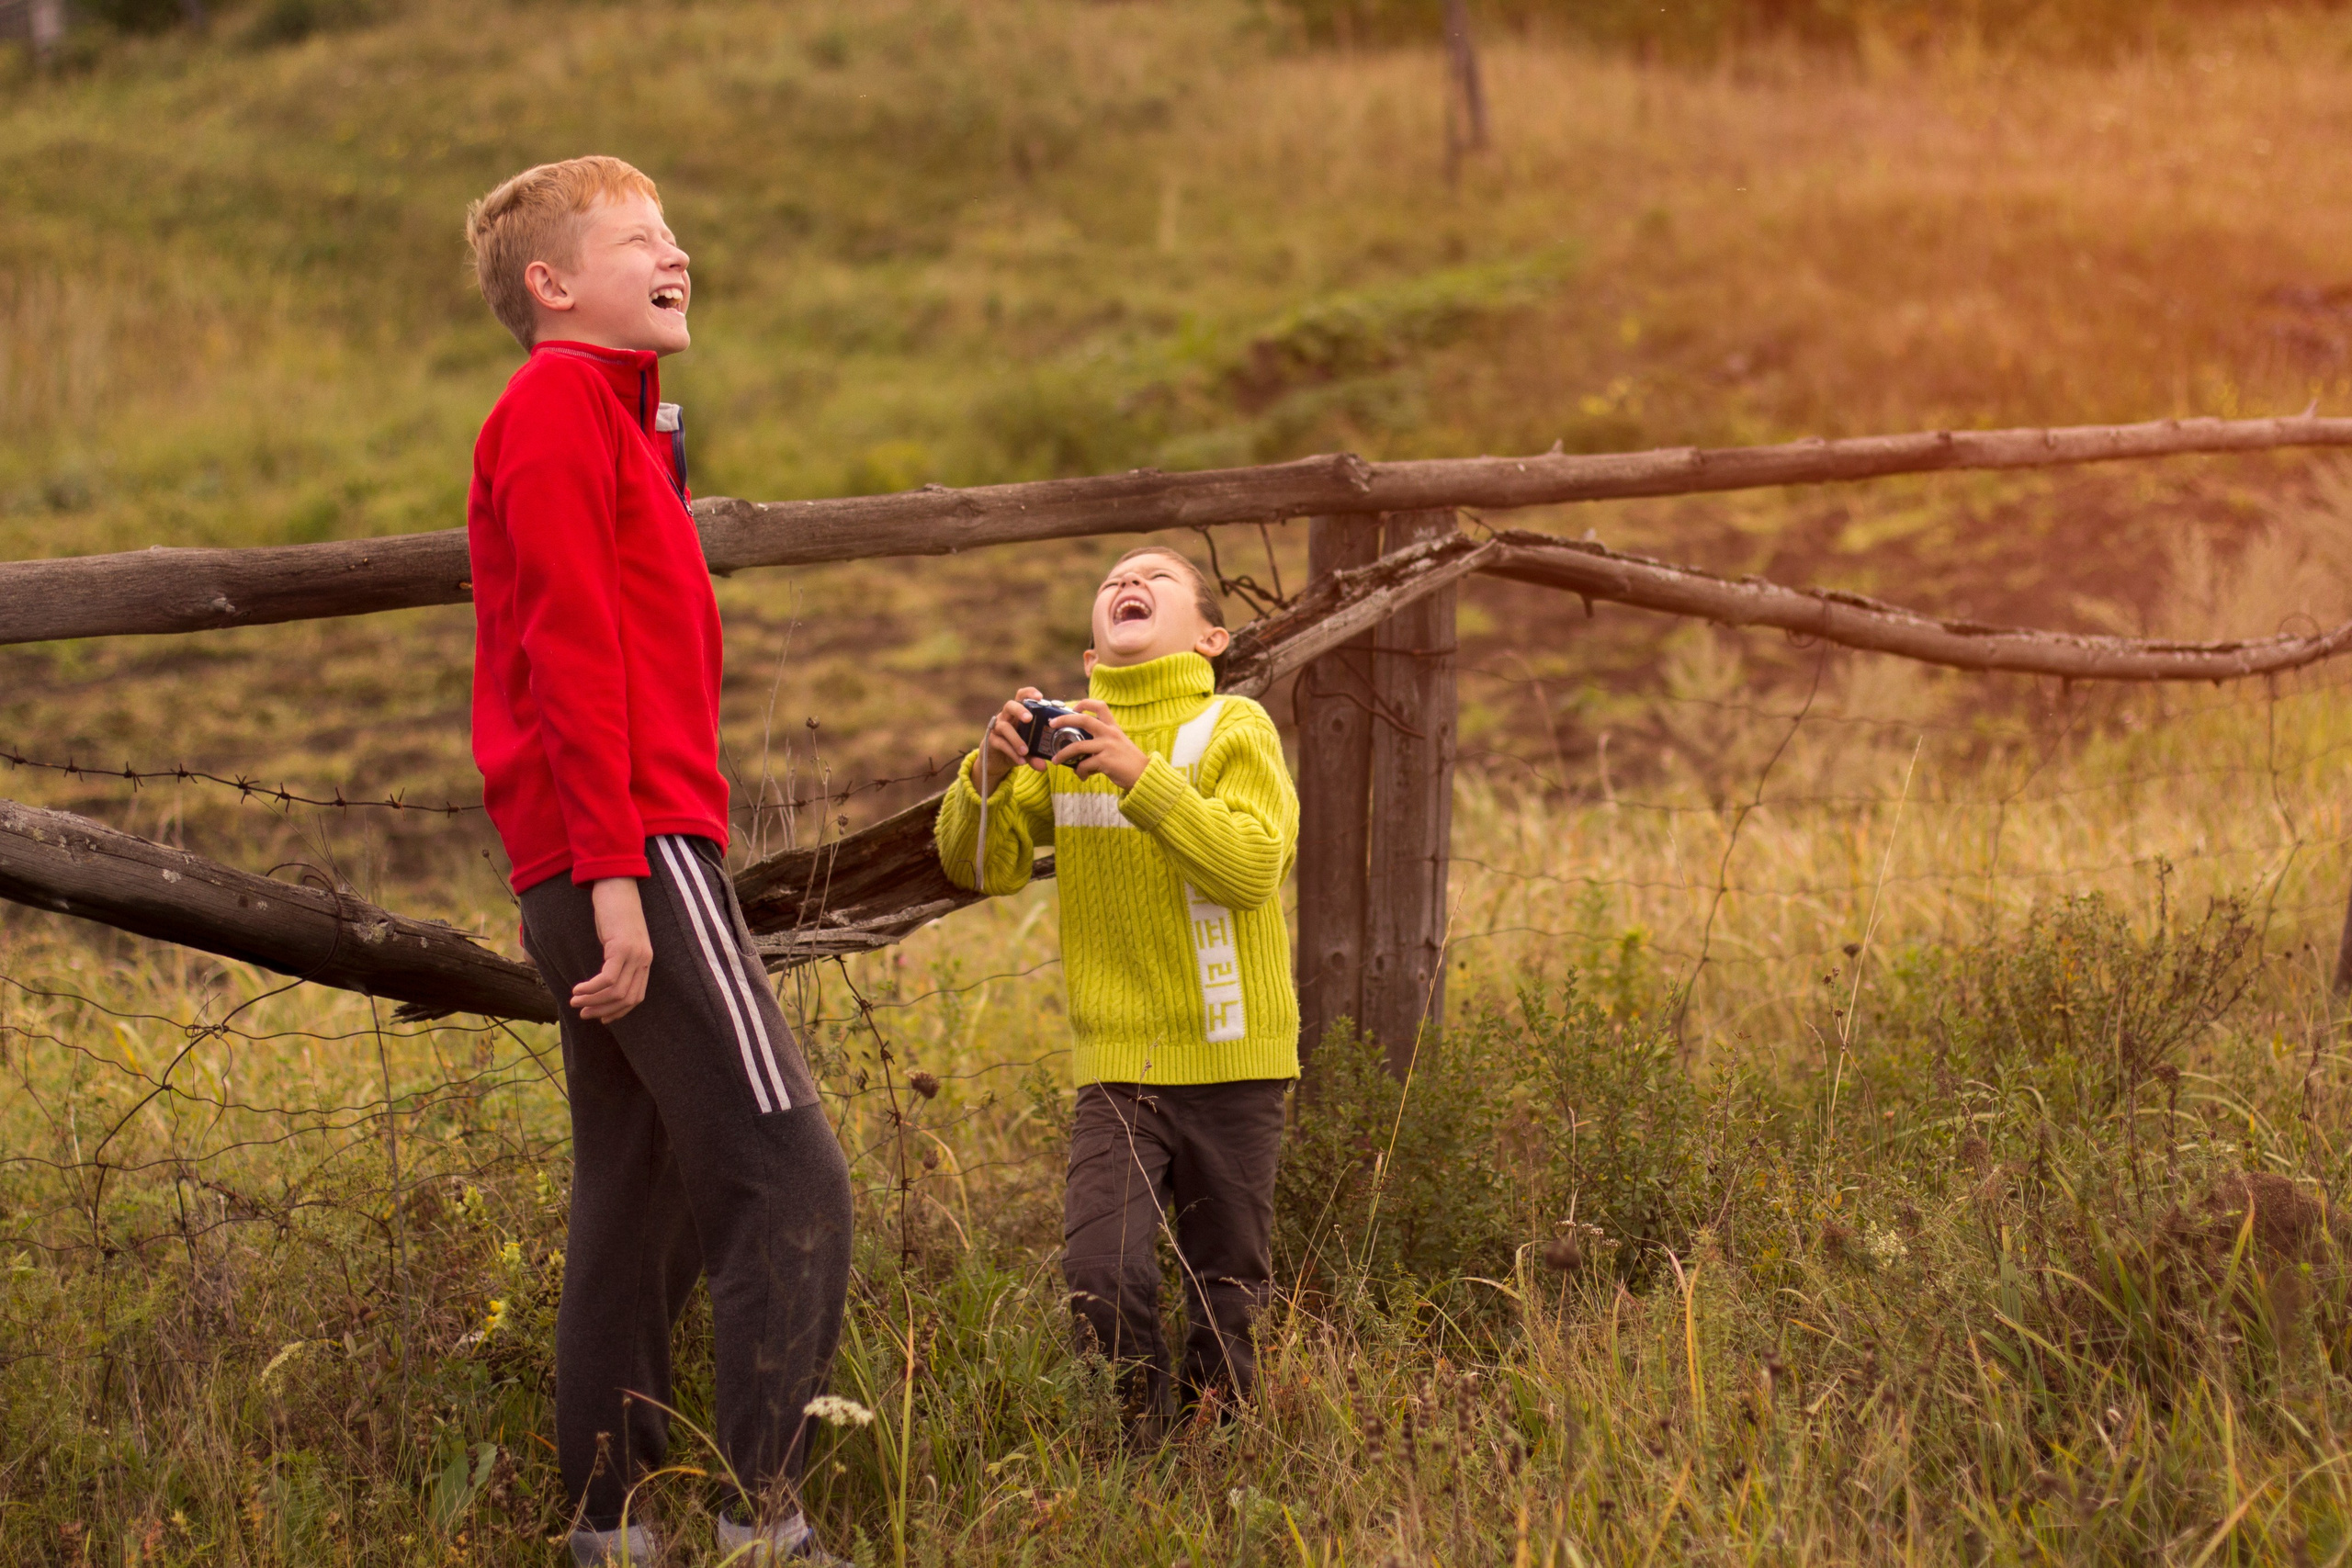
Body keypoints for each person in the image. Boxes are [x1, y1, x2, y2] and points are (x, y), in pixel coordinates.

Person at [463, 156, 852, 1566]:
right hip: (628, 850)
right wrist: (625, 875)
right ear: (554, 284)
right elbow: (566, 644)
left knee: (637, 1198)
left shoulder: (614, 419)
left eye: (678, 234)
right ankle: (770, 1522)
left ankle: (607, 1537)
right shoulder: (561, 405)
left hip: (589, 851)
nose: (676, 254)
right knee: (788, 1176)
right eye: (639, 238)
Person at [935, 546, 1301, 1436]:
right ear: (1092, 655)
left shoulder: (1232, 728)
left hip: (1233, 1058)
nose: (1127, 584)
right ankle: (1137, 1446)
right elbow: (979, 868)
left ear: (1211, 637)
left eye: (1155, 577)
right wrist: (984, 779)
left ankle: (1218, 1451)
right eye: (1110, 583)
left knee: (1225, 1286)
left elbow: (1251, 868)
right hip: (1118, 1066)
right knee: (1101, 1274)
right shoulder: (1063, 746)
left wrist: (1140, 775)